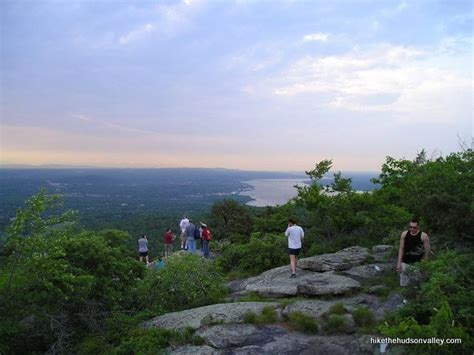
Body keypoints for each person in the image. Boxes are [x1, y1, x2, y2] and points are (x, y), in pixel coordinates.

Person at [397, 218, 431, 287]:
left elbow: (427, 252)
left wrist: (424, 265)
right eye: (410, 227)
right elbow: (401, 249)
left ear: (418, 227)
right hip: (405, 262)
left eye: (414, 227)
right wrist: (399, 263)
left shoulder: (424, 236)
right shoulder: (404, 234)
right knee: (404, 285)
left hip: (417, 264)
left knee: (416, 284)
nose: (412, 229)